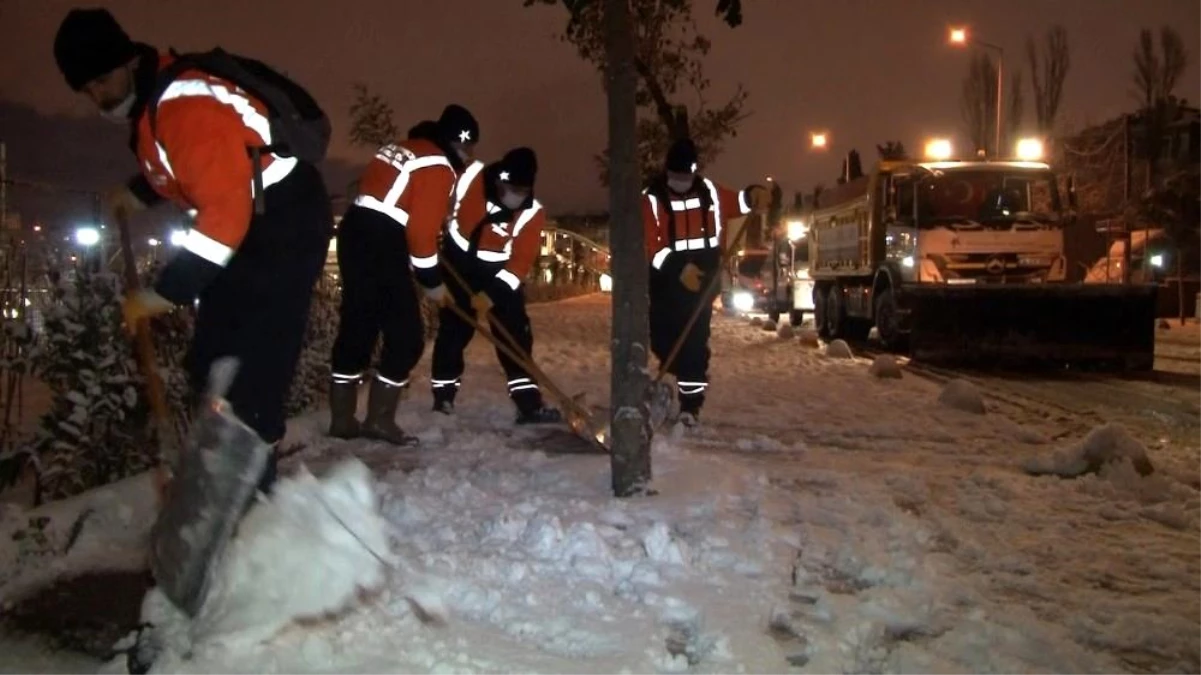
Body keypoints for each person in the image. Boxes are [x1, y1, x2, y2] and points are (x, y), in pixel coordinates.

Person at [53, 8, 332, 491]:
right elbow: (197, 165)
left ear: (124, 61)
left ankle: (248, 500)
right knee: (211, 357)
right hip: (254, 218)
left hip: (284, 222)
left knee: (254, 367)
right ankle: (217, 470)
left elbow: (223, 217)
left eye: (101, 80)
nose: (97, 96)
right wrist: (141, 191)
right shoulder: (155, 99)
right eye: (86, 89)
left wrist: (165, 292)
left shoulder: (181, 104)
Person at [326, 105, 479, 444]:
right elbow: (421, 235)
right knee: (407, 336)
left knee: (359, 323)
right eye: (469, 149)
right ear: (459, 144)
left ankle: (342, 419)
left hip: (355, 231)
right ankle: (380, 420)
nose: (468, 158)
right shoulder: (439, 165)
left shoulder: (403, 148)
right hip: (383, 239)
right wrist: (433, 283)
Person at [430, 147, 562, 424]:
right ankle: (443, 397)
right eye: (511, 188)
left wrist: (493, 294)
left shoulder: (531, 213)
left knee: (515, 337)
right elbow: (437, 198)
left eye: (522, 190)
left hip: (498, 275)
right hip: (458, 264)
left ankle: (528, 404)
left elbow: (520, 263)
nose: (516, 195)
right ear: (500, 180)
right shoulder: (470, 176)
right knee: (454, 332)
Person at [642, 138, 765, 426]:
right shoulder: (652, 197)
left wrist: (753, 195)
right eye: (674, 176)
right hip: (666, 283)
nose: (679, 182)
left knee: (695, 344)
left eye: (684, 176)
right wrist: (676, 268)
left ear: (694, 173)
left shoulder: (710, 191)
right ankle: (672, 373)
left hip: (702, 282)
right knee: (663, 340)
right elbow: (652, 246)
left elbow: (739, 203)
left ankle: (690, 406)